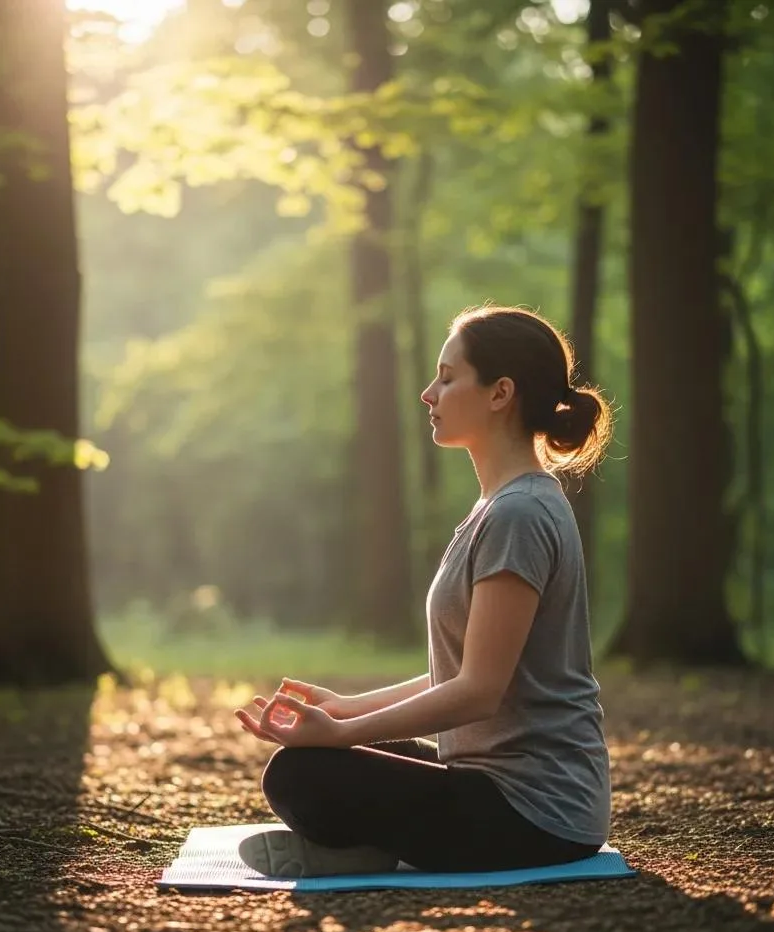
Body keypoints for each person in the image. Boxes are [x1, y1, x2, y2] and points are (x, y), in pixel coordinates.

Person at [234, 304, 614, 878]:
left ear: (499, 393)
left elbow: (479, 691)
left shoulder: (520, 514)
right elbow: (465, 671)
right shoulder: (502, 507)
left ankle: (358, 852)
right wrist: (345, 708)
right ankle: (364, 851)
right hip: (490, 787)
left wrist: (343, 734)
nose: (427, 393)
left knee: (301, 775)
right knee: (314, 759)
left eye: (447, 376)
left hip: (536, 814)